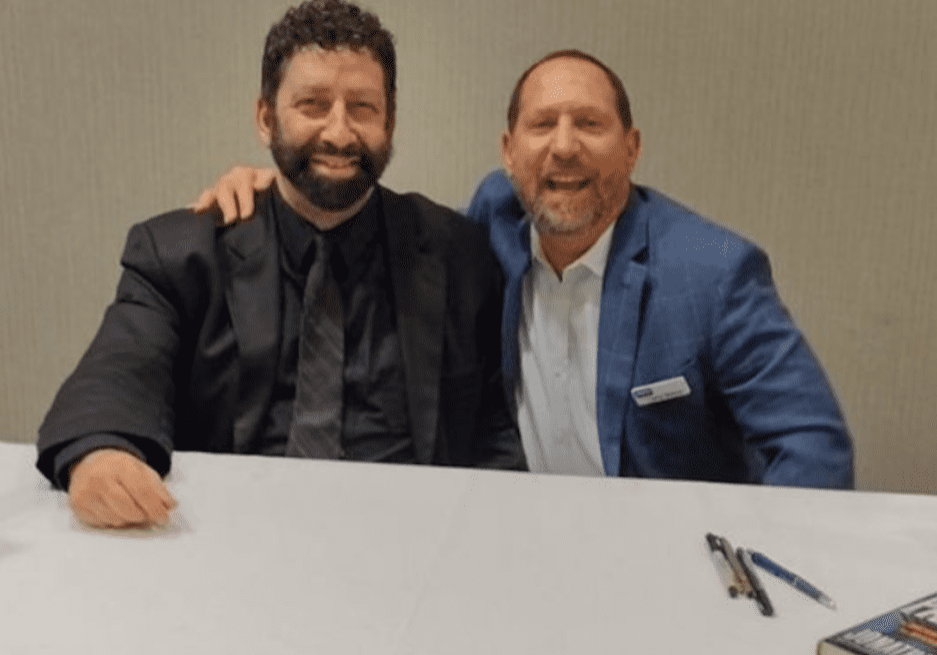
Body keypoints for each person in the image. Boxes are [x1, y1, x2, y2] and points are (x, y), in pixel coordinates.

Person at [194, 50, 854, 488]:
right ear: (509, 154)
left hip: (666, 556)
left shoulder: (712, 271)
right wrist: (281, 191)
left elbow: (813, 445)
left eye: (589, 124)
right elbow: (369, 227)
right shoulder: (486, 225)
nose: (563, 146)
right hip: (512, 535)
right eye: (542, 125)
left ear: (630, 149)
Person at [36, 0, 524, 530]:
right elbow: (122, 366)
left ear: (390, 120)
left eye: (362, 107)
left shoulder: (458, 252)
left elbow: (492, 426)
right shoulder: (183, 252)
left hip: (411, 534)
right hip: (229, 531)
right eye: (313, 105)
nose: (339, 133)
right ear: (266, 118)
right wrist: (102, 451)